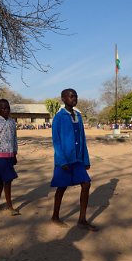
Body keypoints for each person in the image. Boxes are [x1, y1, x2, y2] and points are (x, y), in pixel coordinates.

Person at [50, 89, 97, 230]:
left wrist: (86, 159)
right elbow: (56, 141)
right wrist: (61, 160)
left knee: (86, 184)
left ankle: (82, 219)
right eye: (71, 96)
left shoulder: (78, 116)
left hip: (78, 160)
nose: (74, 98)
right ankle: (55, 216)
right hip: (64, 159)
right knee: (61, 187)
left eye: (75, 96)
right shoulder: (59, 117)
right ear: (63, 99)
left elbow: (82, 138)